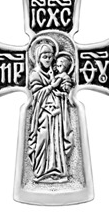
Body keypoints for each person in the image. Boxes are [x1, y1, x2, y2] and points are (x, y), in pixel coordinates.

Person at [28, 41, 73, 183]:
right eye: (44, 57)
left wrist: (61, 89)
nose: (48, 59)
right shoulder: (35, 74)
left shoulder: (54, 73)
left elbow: (64, 89)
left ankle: (57, 171)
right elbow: (36, 95)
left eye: (50, 57)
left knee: (56, 141)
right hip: (43, 113)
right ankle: (40, 172)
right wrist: (51, 86)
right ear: (38, 58)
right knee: (42, 140)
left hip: (57, 113)